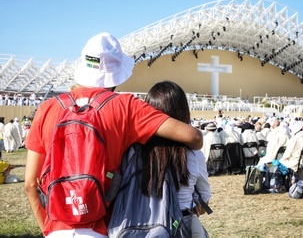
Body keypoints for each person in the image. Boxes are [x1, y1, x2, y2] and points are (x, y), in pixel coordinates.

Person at [24, 32, 203, 238]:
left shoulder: (47, 108)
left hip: (55, 229)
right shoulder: (125, 106)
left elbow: (30, 184)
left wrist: (47, 230)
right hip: (101, 228)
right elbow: (194, 137)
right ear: (116, 74)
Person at [138, 81, 211, 237]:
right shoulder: (194, 153)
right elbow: (204, 204)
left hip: (142, 225)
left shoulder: (134, 151)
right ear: (184, 112)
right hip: (182, 225)